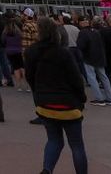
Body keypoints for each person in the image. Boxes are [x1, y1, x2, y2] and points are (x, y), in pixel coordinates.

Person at [26, 16, 88, 174]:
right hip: (68, 103)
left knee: (54, 140)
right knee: (76, 145)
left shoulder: (32, 51)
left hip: (45, 104)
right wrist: (81, 98)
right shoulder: (63, 52)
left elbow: (30, 76)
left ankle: (47, 170)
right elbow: (76, 78)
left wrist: (38, 93)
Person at [77, 16, 111, 107]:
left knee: (92, 78)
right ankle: (110, 98)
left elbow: (81, 45)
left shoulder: (83, 33)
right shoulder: (96, 32)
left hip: (89, 58)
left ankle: (99, 98)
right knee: (103, 77)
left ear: (81, 23)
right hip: (99, 57)